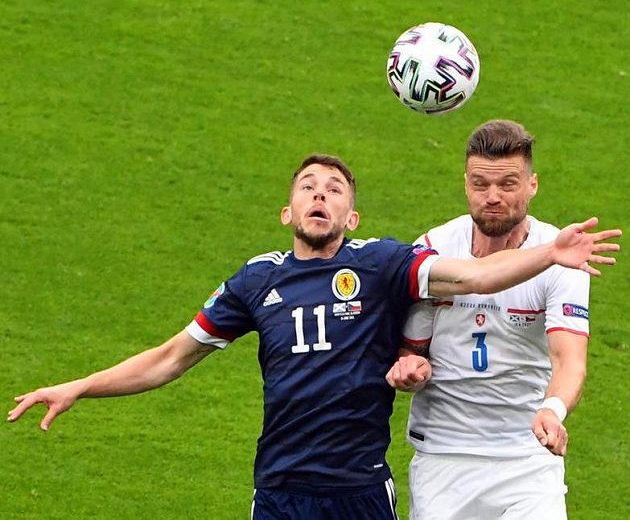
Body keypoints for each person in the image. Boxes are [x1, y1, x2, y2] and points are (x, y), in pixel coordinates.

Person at [8, 153, 620, 520]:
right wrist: (81, 387)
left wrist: (550, 252)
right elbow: (171, 357)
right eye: (307, 186)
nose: (319, 193)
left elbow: (480, 272)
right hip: (279, 489)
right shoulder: (254, 281)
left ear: (351, 217)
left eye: (334, 189)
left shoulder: (383, 265)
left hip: (359, 490)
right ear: (288, 211)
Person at [386, 120, 607, 520]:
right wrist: (411, 368)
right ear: (466, 184)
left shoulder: (563, 255)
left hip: (527, 455)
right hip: (444, 454)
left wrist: (552, 411)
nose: (492, 197)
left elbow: (569, 359)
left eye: (508, 184)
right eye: (480, 184)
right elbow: (412, 349)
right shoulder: (433, 248)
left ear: (532, 184)